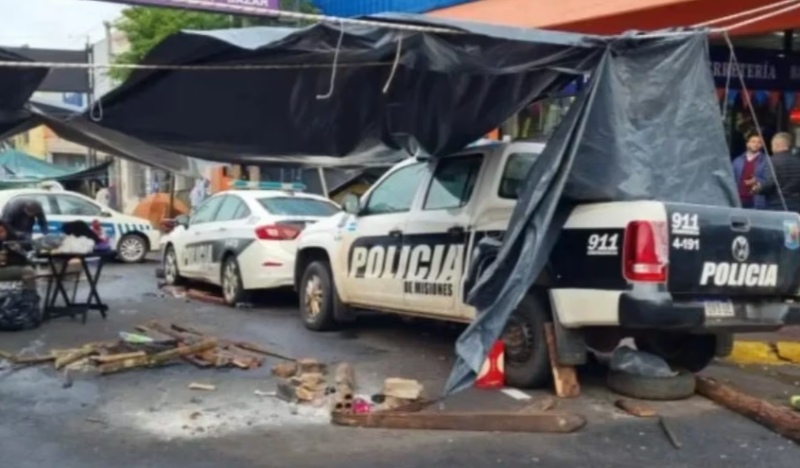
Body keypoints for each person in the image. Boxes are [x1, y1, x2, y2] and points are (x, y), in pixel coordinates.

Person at [755, 132, 800, 212]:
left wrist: (758, 189)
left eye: (772, 145)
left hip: (777, 204)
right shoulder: (798, 161)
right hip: (797, 205)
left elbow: (771, 182)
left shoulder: (772, 161)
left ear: (777, 145)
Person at [732, 133, 769, 209]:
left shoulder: (766, 161)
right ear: (747, 144)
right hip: (738, 200)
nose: (756, 144)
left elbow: (769, 179)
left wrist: (757, 180)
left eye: (759, 142)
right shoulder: (737, 161)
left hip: (756, 200)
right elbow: (731, 179)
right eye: (753, 141)